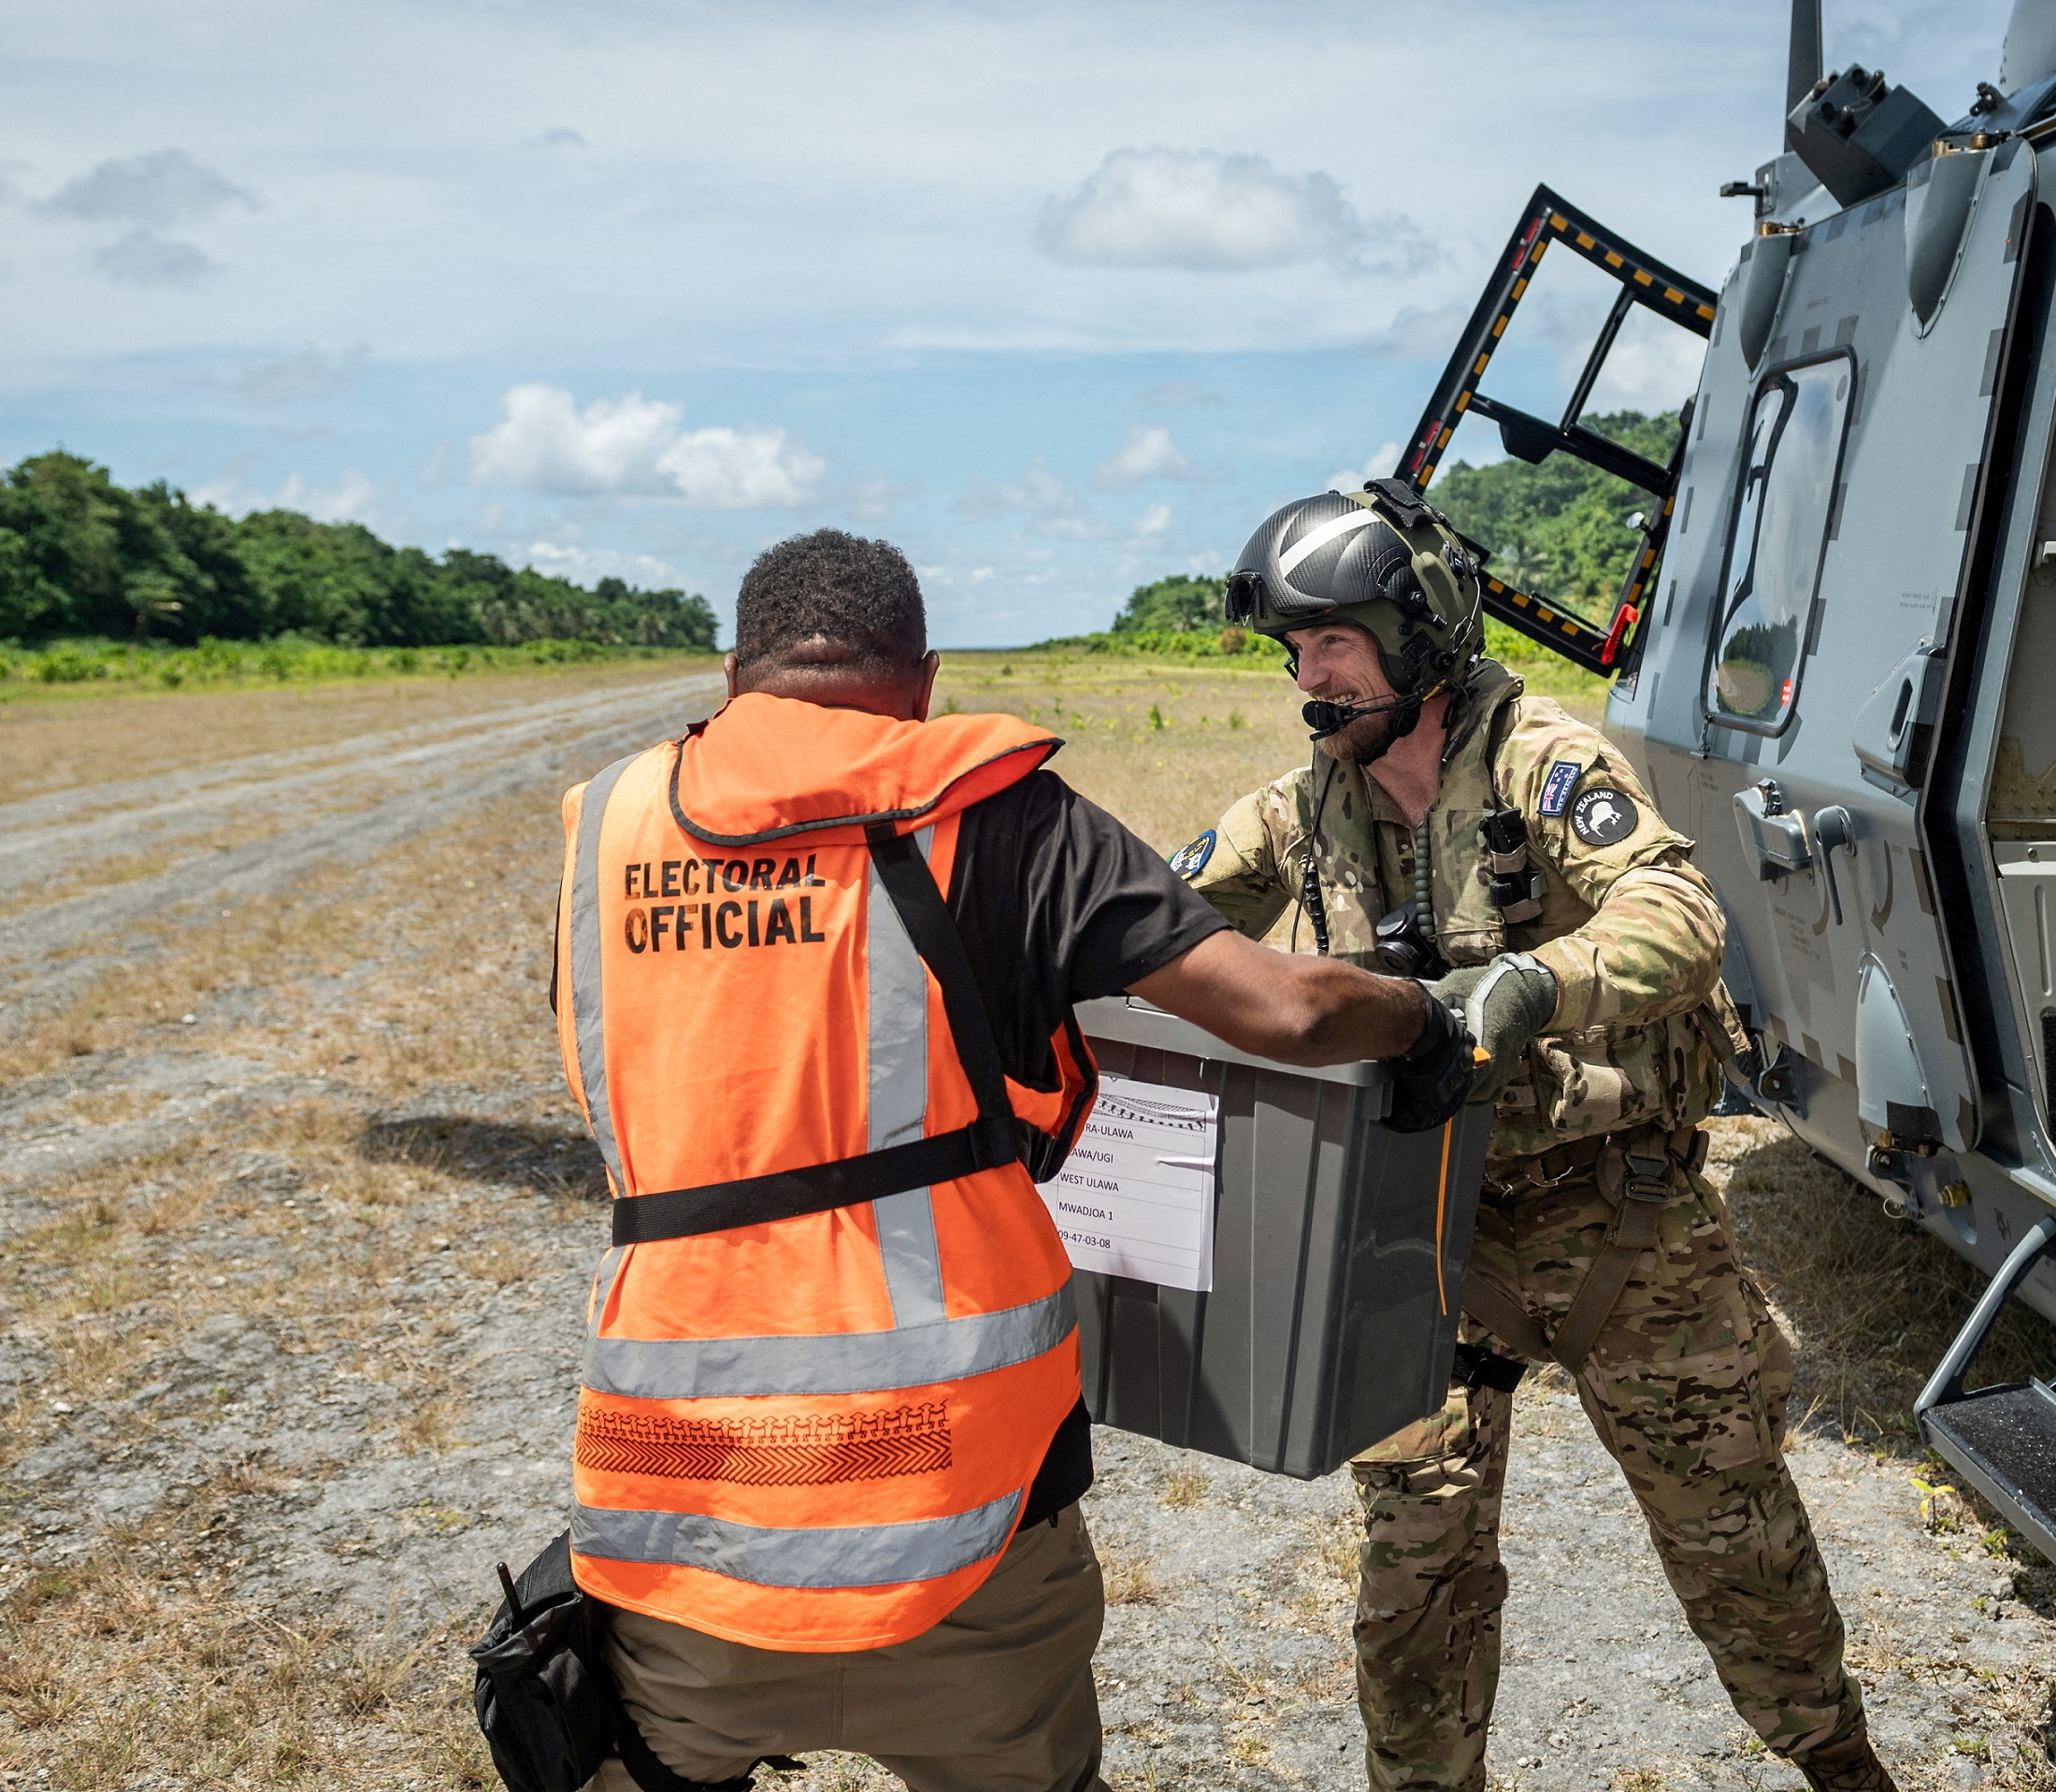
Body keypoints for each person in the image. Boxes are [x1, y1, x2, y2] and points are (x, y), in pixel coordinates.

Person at [551, 529, 1466, 1792]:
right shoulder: (986, 805)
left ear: (730, 677)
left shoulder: (607, 827)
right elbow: (1288, 1013)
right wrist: (1425, 1020)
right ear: (922, 684)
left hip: (674, 1506)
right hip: (958, 1508)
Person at [1176, 482, 1893, 1792]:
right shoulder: (1307, 802)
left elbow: (1678, 914)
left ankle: (1839, 1764)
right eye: (1295, 651)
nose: (1309, 678)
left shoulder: (1541, 762)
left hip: (1614, 1213)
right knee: (1415, 1573)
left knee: (1735, 1540)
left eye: (1331, 642)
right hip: (1419, 1228)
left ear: (1418, 632)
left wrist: (1519, 987)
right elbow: (1156, 912)